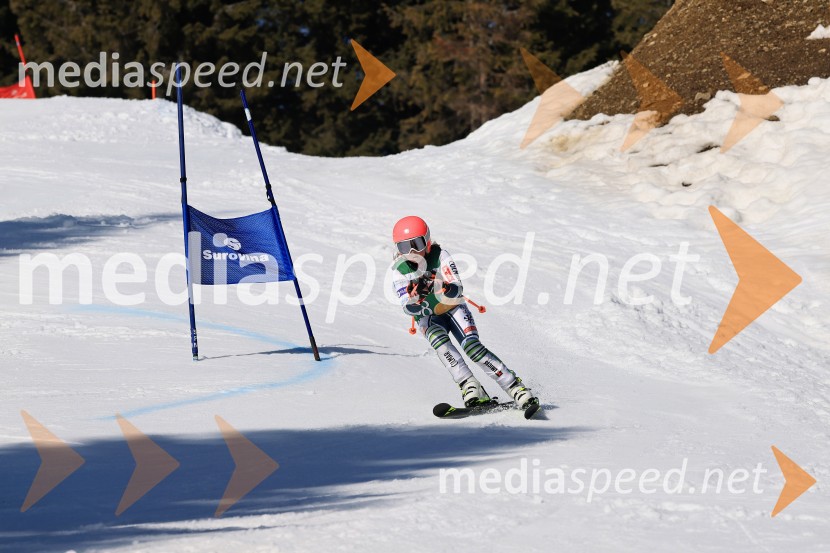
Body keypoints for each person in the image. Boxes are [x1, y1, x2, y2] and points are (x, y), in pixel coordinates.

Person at [390, 215, 538, 410]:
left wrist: (439, 284)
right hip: (428, 317)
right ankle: (470, 385)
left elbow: (457, 288)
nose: (412, 252)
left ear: (427, 241)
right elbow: (407, 307)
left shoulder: (440, 255)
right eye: (403, 247)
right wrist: (416, 298)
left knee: (471, 347)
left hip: (453, 309)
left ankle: (515, 386)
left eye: (416, 243)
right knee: (442, 346)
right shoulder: (399, 270)